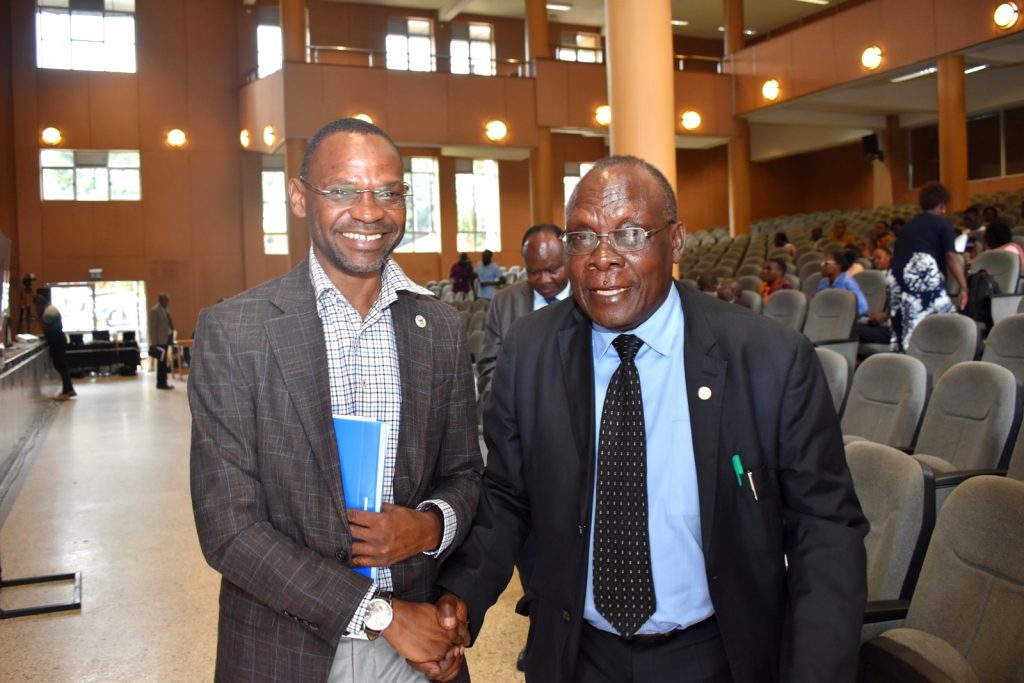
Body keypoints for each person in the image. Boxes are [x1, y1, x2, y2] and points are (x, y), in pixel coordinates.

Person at [431, 155, 867, 683]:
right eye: (583, 238)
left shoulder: (770, 358)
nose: (602, 258)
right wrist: (460, 596)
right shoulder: (531, 349)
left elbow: (825, 531)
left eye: (630, 234)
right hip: (576, 653)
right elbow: (507, 494)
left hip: (718, 653)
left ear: (676, 241)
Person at [188, 118, 483, 683]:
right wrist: (379, 614)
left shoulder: (438, 328)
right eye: (343, 190)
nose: (369, 211)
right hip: (285, 648)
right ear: (300, 198)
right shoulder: (236, 331)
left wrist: (430, 527)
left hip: (421, 655)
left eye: (388, 191)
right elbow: (229, 528)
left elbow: (465, 474)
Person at [476, 223, 568, 405]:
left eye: (552, 270)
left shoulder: (588, 300)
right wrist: (511, 406)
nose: (544, 280)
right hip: (519, 415)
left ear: (569, 260)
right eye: (534, 272)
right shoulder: (503, 303)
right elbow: (488, 366)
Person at [888, 182, 969, 352]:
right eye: (944, 207)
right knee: (945, 324)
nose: (944, 211)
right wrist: (963, 286)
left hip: (896, 274)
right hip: (922, 270)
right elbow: (951, 256)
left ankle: (908, 362)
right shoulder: (942, 224)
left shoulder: (907, 227)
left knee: (907, 323)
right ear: (941, 205)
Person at [33, 293, 76, 400]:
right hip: (57, 338)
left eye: (36, 305)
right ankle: (69, 389)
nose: (36, 308)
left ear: (40, 303)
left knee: (61, 366)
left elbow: (46, 328)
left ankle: (67, 391)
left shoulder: (48, 312)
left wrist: (39, 317)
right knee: (62, 366)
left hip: (56, 340)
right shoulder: (50, 309)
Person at [817, 249, 869, 317]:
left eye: (826, 263)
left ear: (838, 266)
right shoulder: (823, 282)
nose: (822, 266)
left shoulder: (847, 282)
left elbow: (863, 308)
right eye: (822, 263)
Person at [147, 292, 175, 390]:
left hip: (166, 339)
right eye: (165, 300)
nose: (167, 302)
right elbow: (152, 328)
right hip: (159, 341)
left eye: (168, 300)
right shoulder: (155, 311)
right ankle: (161, 383)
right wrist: (153, 343)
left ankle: (164, 381)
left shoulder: (165, 309)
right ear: (160, 300)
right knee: (161, 363)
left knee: (164, 363)